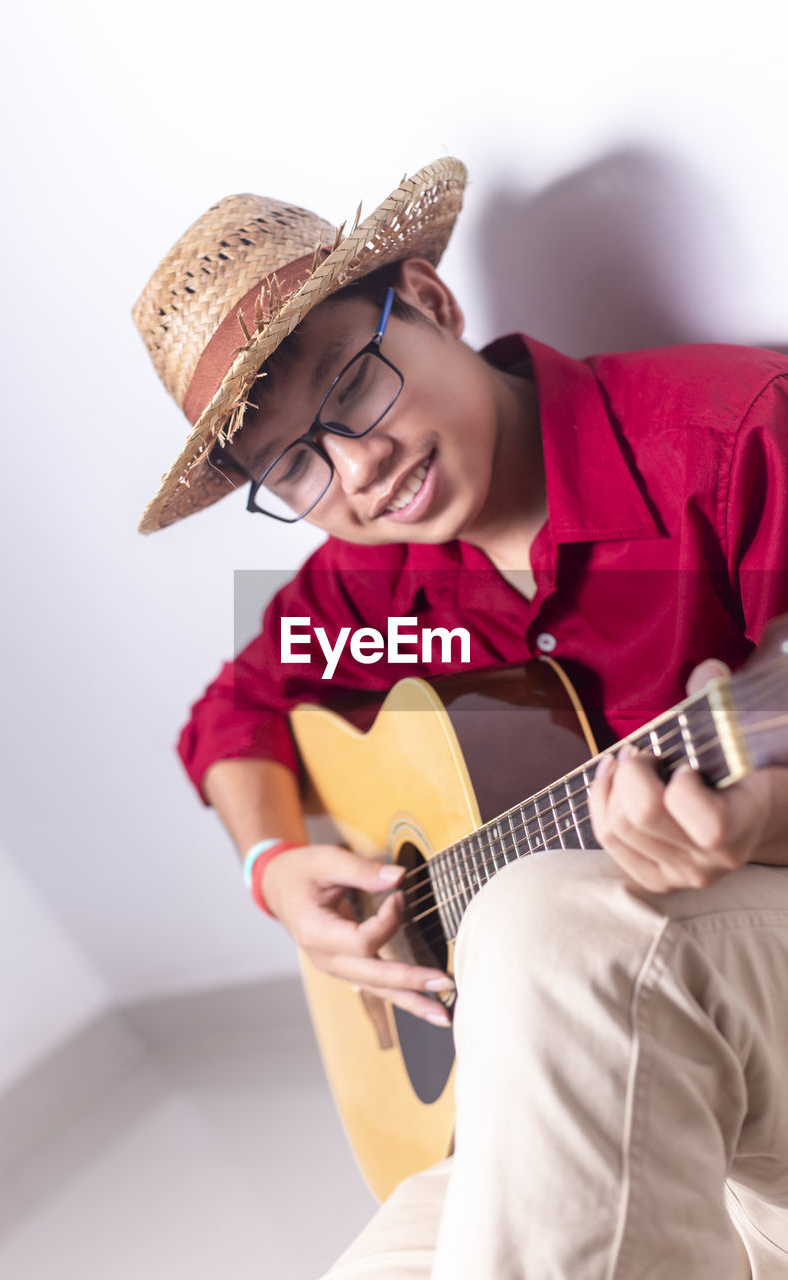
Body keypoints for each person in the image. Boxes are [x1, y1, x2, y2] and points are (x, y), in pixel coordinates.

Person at [133, 158, 788, 1277]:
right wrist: (277, 868)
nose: (359, 466)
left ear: (431, 303)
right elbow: (230, 710)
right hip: (585, 1098)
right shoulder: (368, 583)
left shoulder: (732, 437)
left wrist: (765, 813)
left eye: (353, 388)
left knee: (539, 918)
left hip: (753, 1071)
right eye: (297, 463)